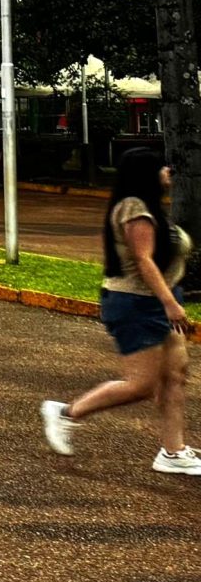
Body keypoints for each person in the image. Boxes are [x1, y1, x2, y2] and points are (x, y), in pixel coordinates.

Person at [41, 148, 201, 475]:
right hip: (138, 303)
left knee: (175, 375)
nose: (168, 171)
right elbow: (143, 261)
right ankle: (67, 413)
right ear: (147, 172)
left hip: (159, 299)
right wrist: (170, 304)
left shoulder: (150, 208)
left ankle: (173, 452)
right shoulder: (134, 207)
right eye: (162, 167)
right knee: (141, 384)